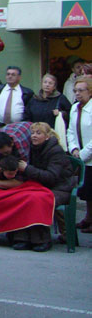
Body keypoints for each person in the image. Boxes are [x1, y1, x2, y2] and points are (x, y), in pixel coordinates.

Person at [7, 122, 74, 251]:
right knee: (19, 196)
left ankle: (41, 240)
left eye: (38, 133)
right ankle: (21, 238)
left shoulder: (56, 151)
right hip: (40, 185)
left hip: (60, 188)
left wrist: (27, 168)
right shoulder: (31, 148)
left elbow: (51, 177)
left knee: (37, 200)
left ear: (47, 136)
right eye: (32, 133)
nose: (34, 136)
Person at [67, 78, 92, 233]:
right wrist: (74, 148)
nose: (77, 94)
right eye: (75, 91)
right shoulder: (75, 108)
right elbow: (70, 131)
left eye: (81, 90)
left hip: (88, 156)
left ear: (90, 91)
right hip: (81, 156)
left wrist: (83, 154)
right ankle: (88, 218)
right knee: (88, 191)